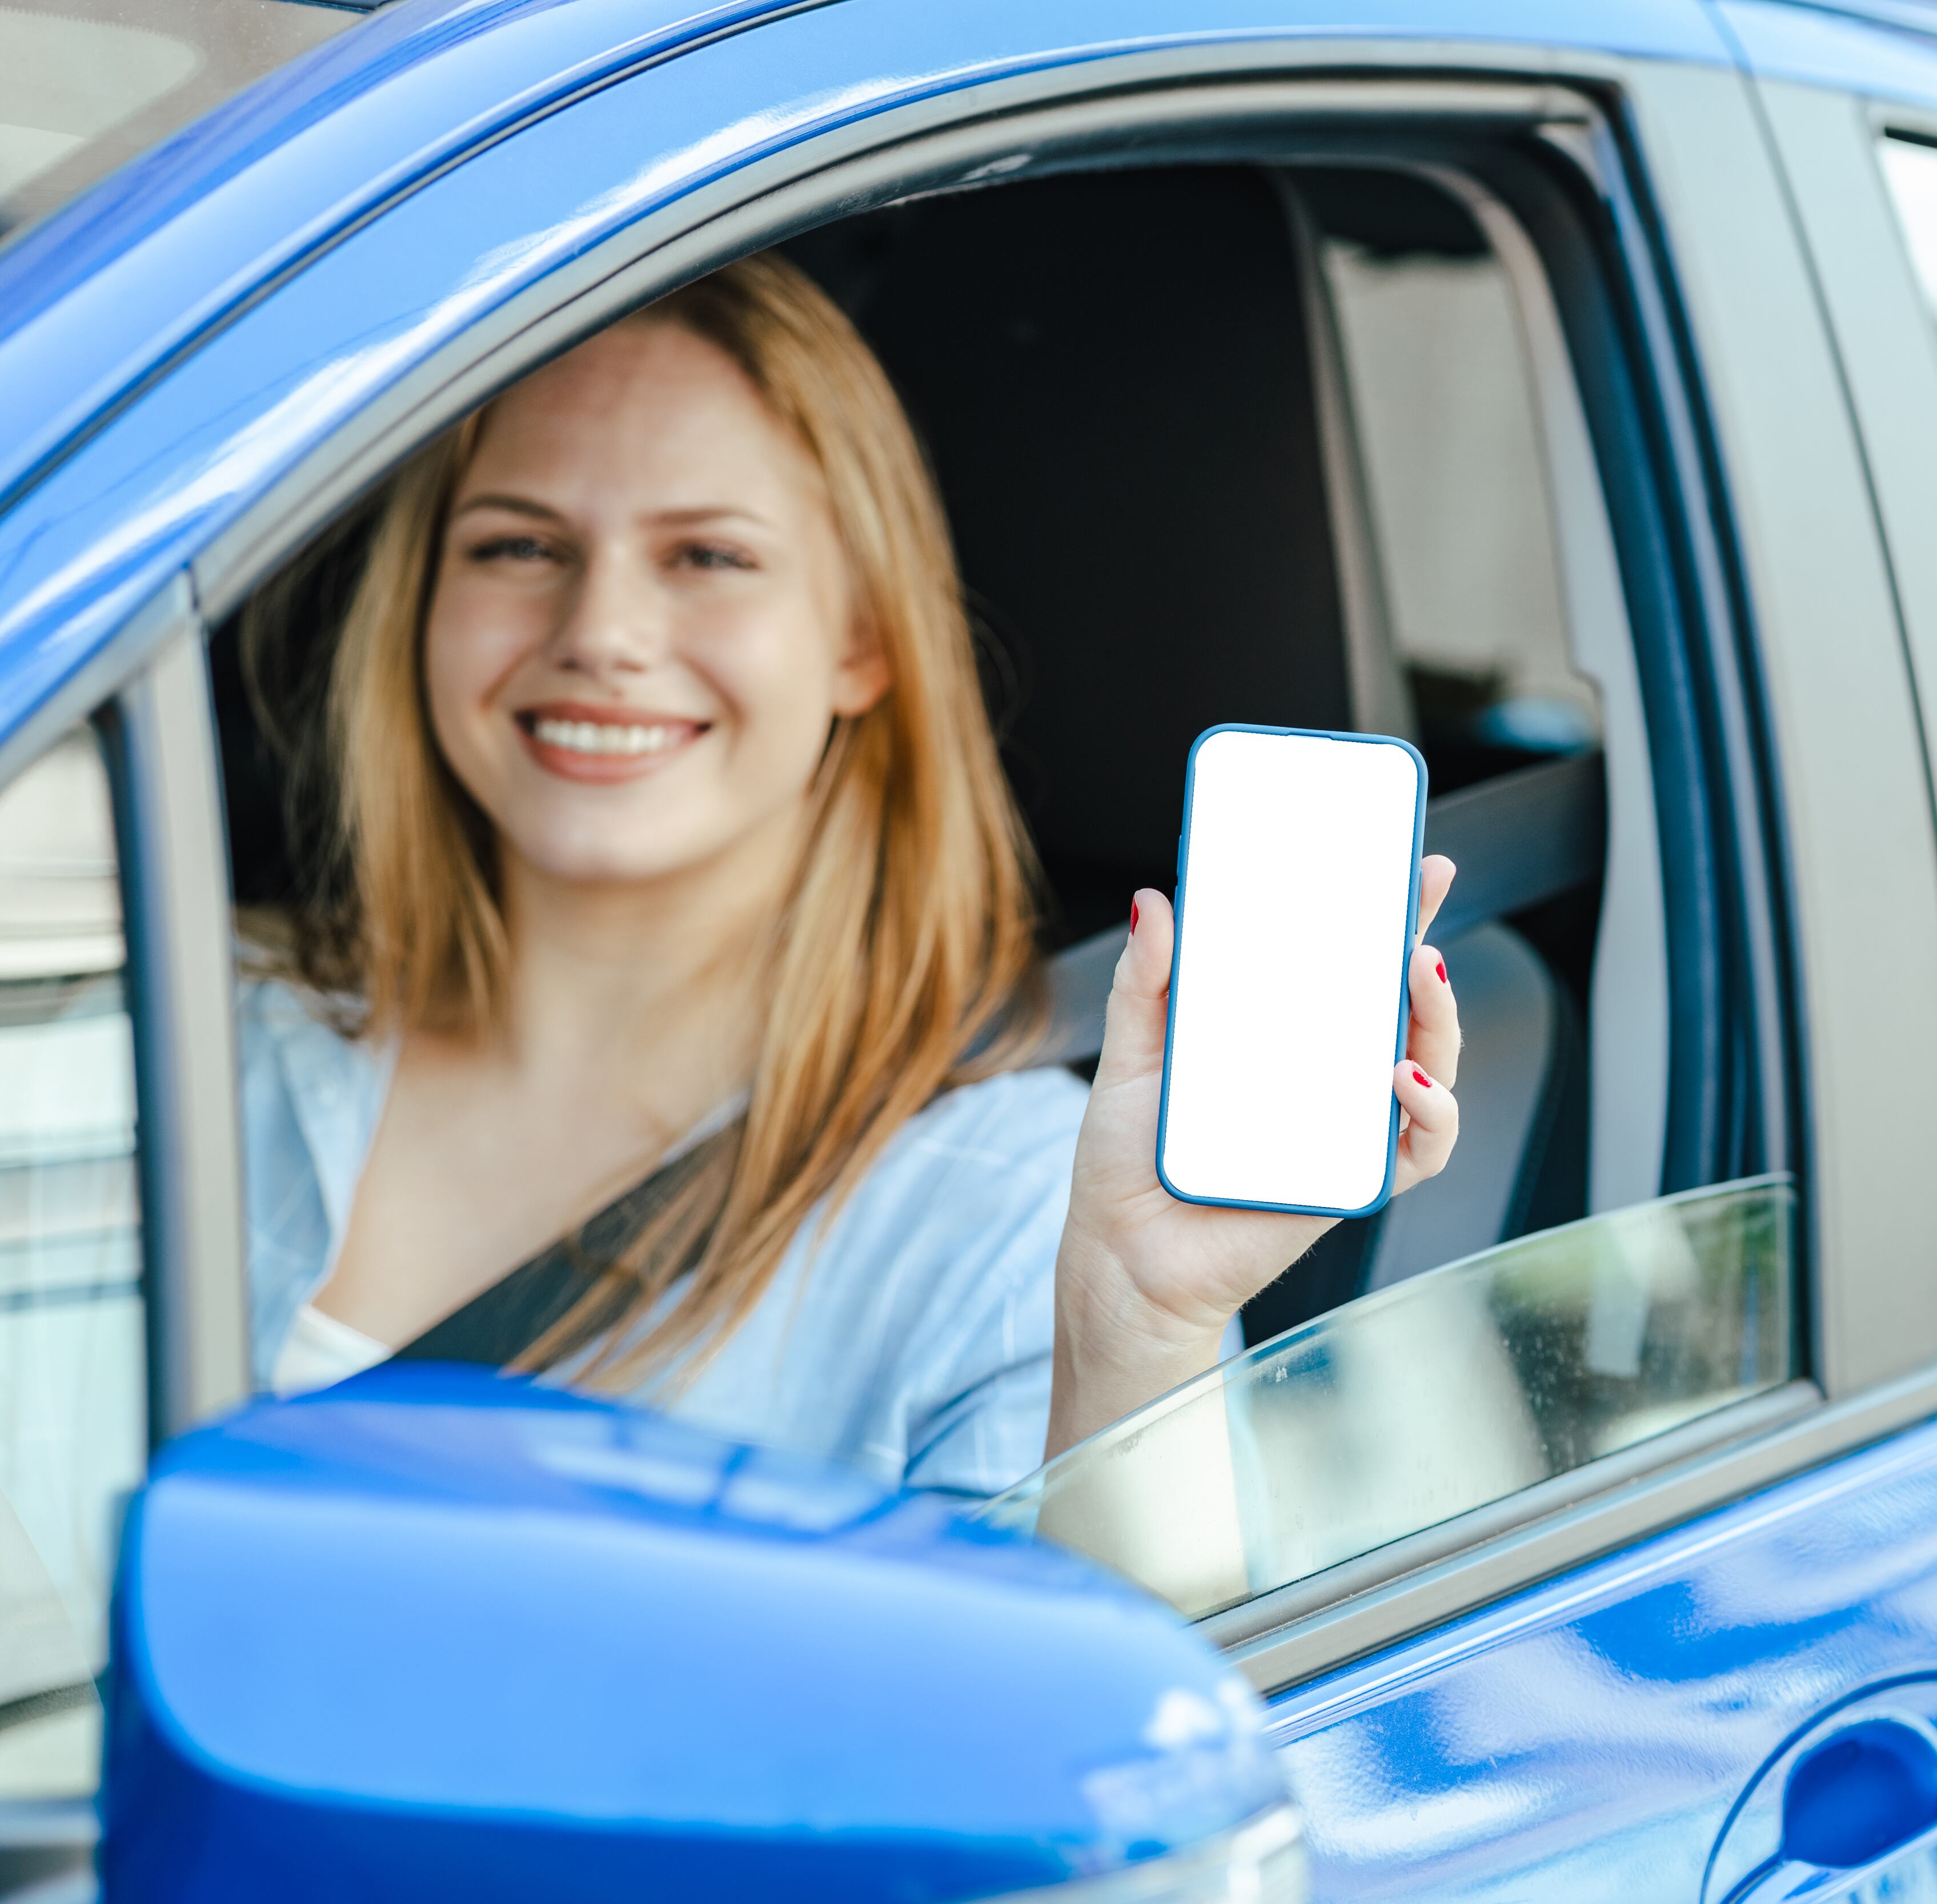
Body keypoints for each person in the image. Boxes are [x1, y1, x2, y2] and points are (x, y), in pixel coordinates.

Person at [236, 253, 1462, 1494]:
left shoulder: (1017, 1213)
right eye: (518, 544)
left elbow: (1107, 1679)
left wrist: (1138, 1342)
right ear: (420, 606)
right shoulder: (203, 1021)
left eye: (707, 556)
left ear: (861, 640)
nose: (600, 633)